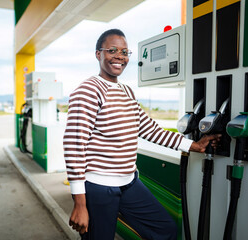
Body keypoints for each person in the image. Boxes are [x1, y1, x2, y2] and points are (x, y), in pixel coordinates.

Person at [63, 29, 220, 240]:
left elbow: (149, 129)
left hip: (129, 182)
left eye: (125, 52)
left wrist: (194, 145)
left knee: (165, 230)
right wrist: (80, 203)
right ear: (98, 54)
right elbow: (74, 145)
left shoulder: (127, 92)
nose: (120, 56)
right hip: (99, 187)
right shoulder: (88, 90)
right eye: (112, 50)